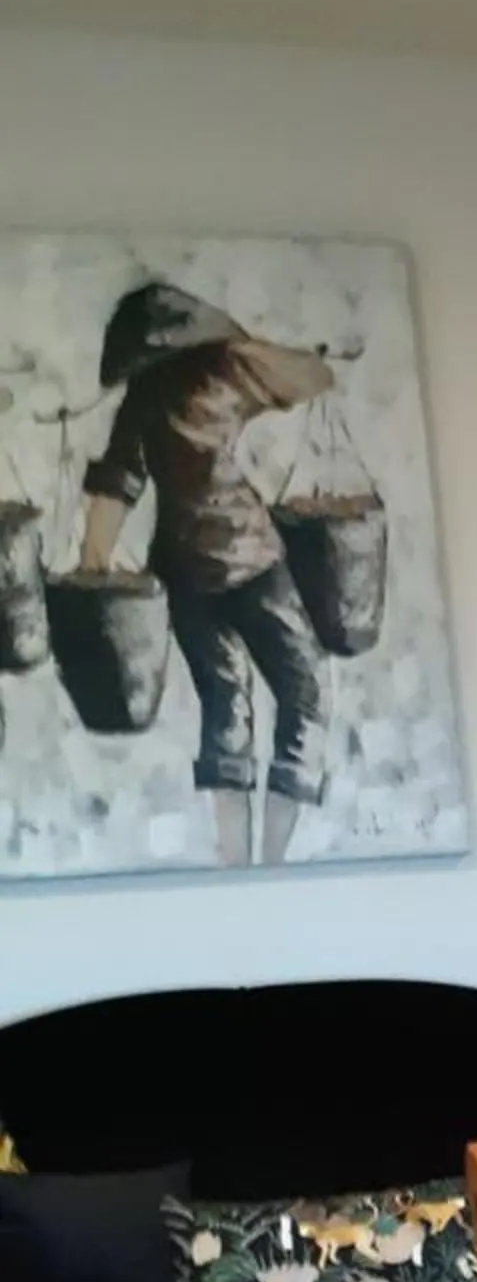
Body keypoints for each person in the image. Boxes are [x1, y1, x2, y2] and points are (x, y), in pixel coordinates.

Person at [76, 282, 333, 868]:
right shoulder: (229, 367)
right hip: (249, 556)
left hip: (181, 568)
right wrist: (257, 348)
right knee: (306, 692)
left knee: (225, 704)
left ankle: (236, 865)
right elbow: (313, 378)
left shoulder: (143, 395)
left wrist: (95, 563)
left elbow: (115, 485)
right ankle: (273, 863)